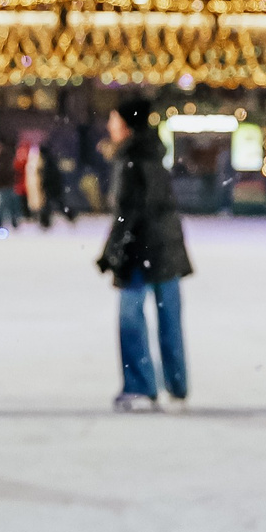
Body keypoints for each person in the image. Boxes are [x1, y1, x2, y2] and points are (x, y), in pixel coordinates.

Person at [96, 93, 191, 412]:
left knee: (130, 318)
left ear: (125, 125)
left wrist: (111, 253)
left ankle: (139, 386)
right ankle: (176, 385)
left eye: (113, 119)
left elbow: (128, 212)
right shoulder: (153, 152)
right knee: (169, 317)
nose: (109, 124)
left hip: (140, 249)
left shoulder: (130, 158)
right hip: (166, 246)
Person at [0, 136, 19, 234]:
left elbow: (9, 172)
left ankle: (10, 224)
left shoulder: (5, 157)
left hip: (5, 186)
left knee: (5, 206)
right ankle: (0, 225)